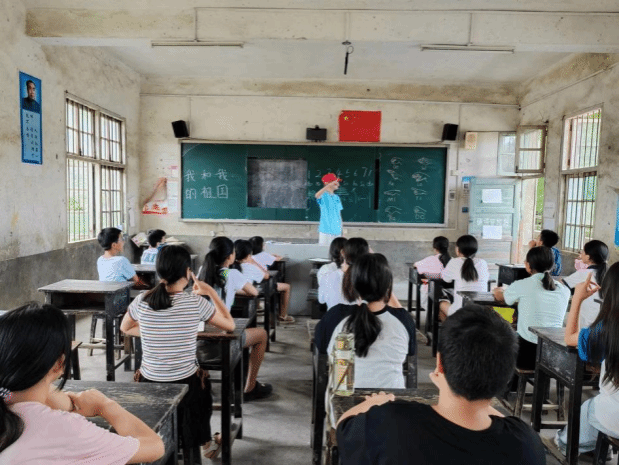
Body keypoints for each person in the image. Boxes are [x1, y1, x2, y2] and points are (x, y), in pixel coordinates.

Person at [336, 305, 546, 465]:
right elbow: (506, 423)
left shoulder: (389, 422)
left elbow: (343, 426)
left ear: (439, 363)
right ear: (508, 375)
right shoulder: (527, 444)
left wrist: (377, 402)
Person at [0, 303, 164, 464]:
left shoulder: (7, 398)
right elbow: (154, 447)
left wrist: (65, 401)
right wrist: (105, 405)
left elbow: (50, 398)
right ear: (59, 364)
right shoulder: (64, 429)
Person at [120, 245, 234, 460]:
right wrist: (209, 291)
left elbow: (125, 328)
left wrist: (155, 332)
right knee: (203, 384)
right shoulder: (195, 302)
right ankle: (204, 444)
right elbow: (230, 325)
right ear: (188, 272)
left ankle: (170, 444)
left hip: (149, 382)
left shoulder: (142, 300)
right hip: (187, 385)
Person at [315, 253, 415, 389]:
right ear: (388, 285)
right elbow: (411, 352)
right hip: (392, 400)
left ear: (352, 284)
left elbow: (321, 348)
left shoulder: (336, 316)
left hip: (345, 399)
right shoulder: (403, 320)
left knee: (341, 370)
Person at [197, 237, 272, 402]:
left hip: (197, 341)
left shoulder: (203, 270)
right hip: (222, 341)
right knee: (261, 335)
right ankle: (250, 387)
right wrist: (234, 289)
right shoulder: (231, 274)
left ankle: (204, 382)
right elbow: (253, 292)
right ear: (230, 256)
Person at [556, 263, 619, 455]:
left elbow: (569, 338)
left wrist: (577, 299)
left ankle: (566, 443)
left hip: (614, 415)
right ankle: (601, 447)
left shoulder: (607, 329)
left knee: (590, 408)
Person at [493, 247, 570, 371]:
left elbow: (501, 298)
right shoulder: (564, 290)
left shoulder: (522, 284)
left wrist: (497, 290)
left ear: (528, 265)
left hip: (526, 355)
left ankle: (509, 381)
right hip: (554, 356)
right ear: (552, 266)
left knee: (500, 334)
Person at [238, 239, 294, 323]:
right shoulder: (250, 266)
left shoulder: (230, 267)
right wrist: (254, 263)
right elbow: (266, 275)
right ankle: (283, 316)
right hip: (250, 291)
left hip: (238, 292)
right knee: (285, 286)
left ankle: (258, 307)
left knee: (258, 284)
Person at [439, 235, 489, 321]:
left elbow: (445, 279)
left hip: (460, 311)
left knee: (442, 303)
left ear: (458, 249)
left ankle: (450, 329)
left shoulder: (454, 262)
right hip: (481, 311)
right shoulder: (482, 263)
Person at [563, 240, 609, 328]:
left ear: (588, 257)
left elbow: (562, 284)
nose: (581, 253)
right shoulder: (609, 274)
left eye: (583, 251)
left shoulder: (585, 273)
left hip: (585, 324)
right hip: (604, 325)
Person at [319, 237, 369, 311]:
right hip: (361, 318)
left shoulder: (327, 278)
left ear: (342, 253)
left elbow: (321, 300)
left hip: (334, 317)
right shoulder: (369, 279)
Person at [414, 236, 452, 312]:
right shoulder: (453, 261)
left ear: (434, 248)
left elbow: (416, 265)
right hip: (451, 297)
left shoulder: (430, 259)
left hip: (430, 297)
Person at [315, 173, 343, 245]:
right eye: (335, 183)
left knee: (336, 250)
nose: (338, 185)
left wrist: (342, 230)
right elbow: (317, 195)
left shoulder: (337, 197)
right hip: (325, 230)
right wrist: (328, 185)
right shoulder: (323, 195)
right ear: (328, 183)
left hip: (337, 230)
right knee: (323, 250)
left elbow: (339, 214)